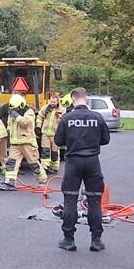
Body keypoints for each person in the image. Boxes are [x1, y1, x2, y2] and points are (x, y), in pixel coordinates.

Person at [54, 87, 110, 252]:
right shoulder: (97, 117)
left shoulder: (67, 118)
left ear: (73, 99)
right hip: (92, 161)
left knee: (70, 200)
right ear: (86, 99)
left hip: (73, 162)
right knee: (94, 201)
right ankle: (96, 241)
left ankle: (69, 240)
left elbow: (58, 141)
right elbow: (106, 139)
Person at [0, 94, 47, 191]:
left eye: (16, 108)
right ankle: (10, 182)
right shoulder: (12, 114)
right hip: (15, 143)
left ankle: (43, 180)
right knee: (11, 163)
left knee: (33, 164)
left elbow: (25, 123)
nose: (14, 110)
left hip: (27, 143)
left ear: (21, 105)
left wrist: (16, 116)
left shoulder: (29, 112)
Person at [36, 93, 66, 174]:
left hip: (55, 134)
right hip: (45, 133)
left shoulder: (62, 110)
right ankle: (45, 167)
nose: (52, 103)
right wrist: (38, 126)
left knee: (54, 152)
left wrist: (60, 117)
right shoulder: (45, 108)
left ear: (57, 102)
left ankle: (54, 167)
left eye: (54, 102)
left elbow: (64, 121)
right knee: (45, 151)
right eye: (51, 102)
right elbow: (39, 117)